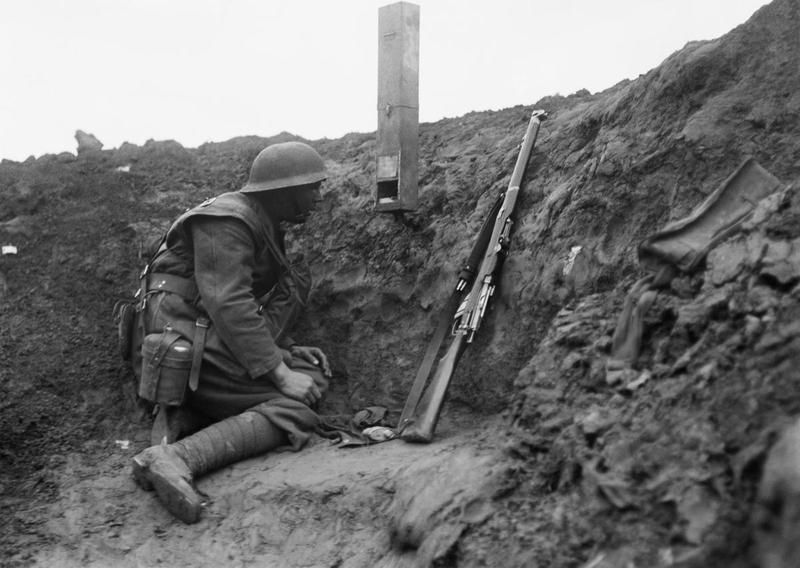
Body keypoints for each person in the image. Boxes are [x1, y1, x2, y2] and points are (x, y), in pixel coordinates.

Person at [130, 141, 333, 523]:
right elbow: (228, 304)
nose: (318, 198)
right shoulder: (228, 220)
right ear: (284, 192)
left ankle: (184, 418)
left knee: (313, 377)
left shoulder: (257, 220)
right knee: (296, 407)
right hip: (186, 342)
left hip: (202, 335)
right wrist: (280, 371)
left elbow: (228, 303)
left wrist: (285, 349)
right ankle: (175, 456)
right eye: (312, 188)